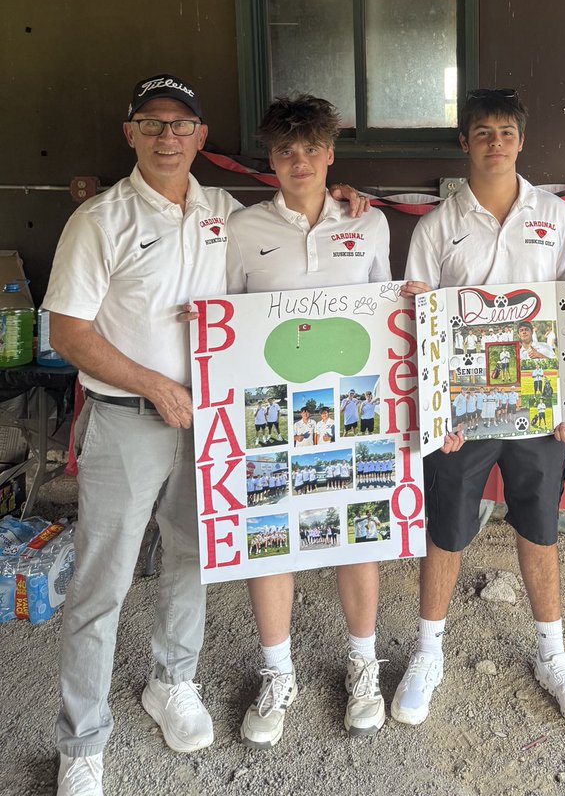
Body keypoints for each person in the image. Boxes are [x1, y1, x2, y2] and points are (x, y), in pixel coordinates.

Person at [41, 74, 241, 796]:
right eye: (152, 124)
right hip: (128, 423)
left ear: (200, 137)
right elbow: (67, 332)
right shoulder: (99, 219)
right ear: (131, 134)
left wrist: (341, 201)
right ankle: (82, 741)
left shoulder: (223, 211)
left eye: (181, 125)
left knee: (191, 556)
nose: (167, 137)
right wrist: (154, 384)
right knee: (103, 582)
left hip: (210, 422)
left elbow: (294, 230)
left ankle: (172, 681)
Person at [392, 88, 565, 729]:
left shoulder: (555, 216)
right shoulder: (436, 226)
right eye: (483, 132)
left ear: (521, 139)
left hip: (539, 409)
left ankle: (552, 654)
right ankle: (428, 653)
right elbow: (416, 323)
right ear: (464, 141)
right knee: (447, 529)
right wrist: (435, 412)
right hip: (462, 417)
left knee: (539, 525)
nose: (495, 142)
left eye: (506, 131)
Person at [226, 94, 390, 744]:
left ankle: (362, 664)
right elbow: (225, 318)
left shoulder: (368, 223)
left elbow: (385, 307)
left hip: (353, 411)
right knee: (270, 535)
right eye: (285, 150)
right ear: (271, 156)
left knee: (359, 532)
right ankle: (276, 673)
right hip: (269, 413)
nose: (299, 161)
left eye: (311, 149)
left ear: (330, 154)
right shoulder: (242, 230)